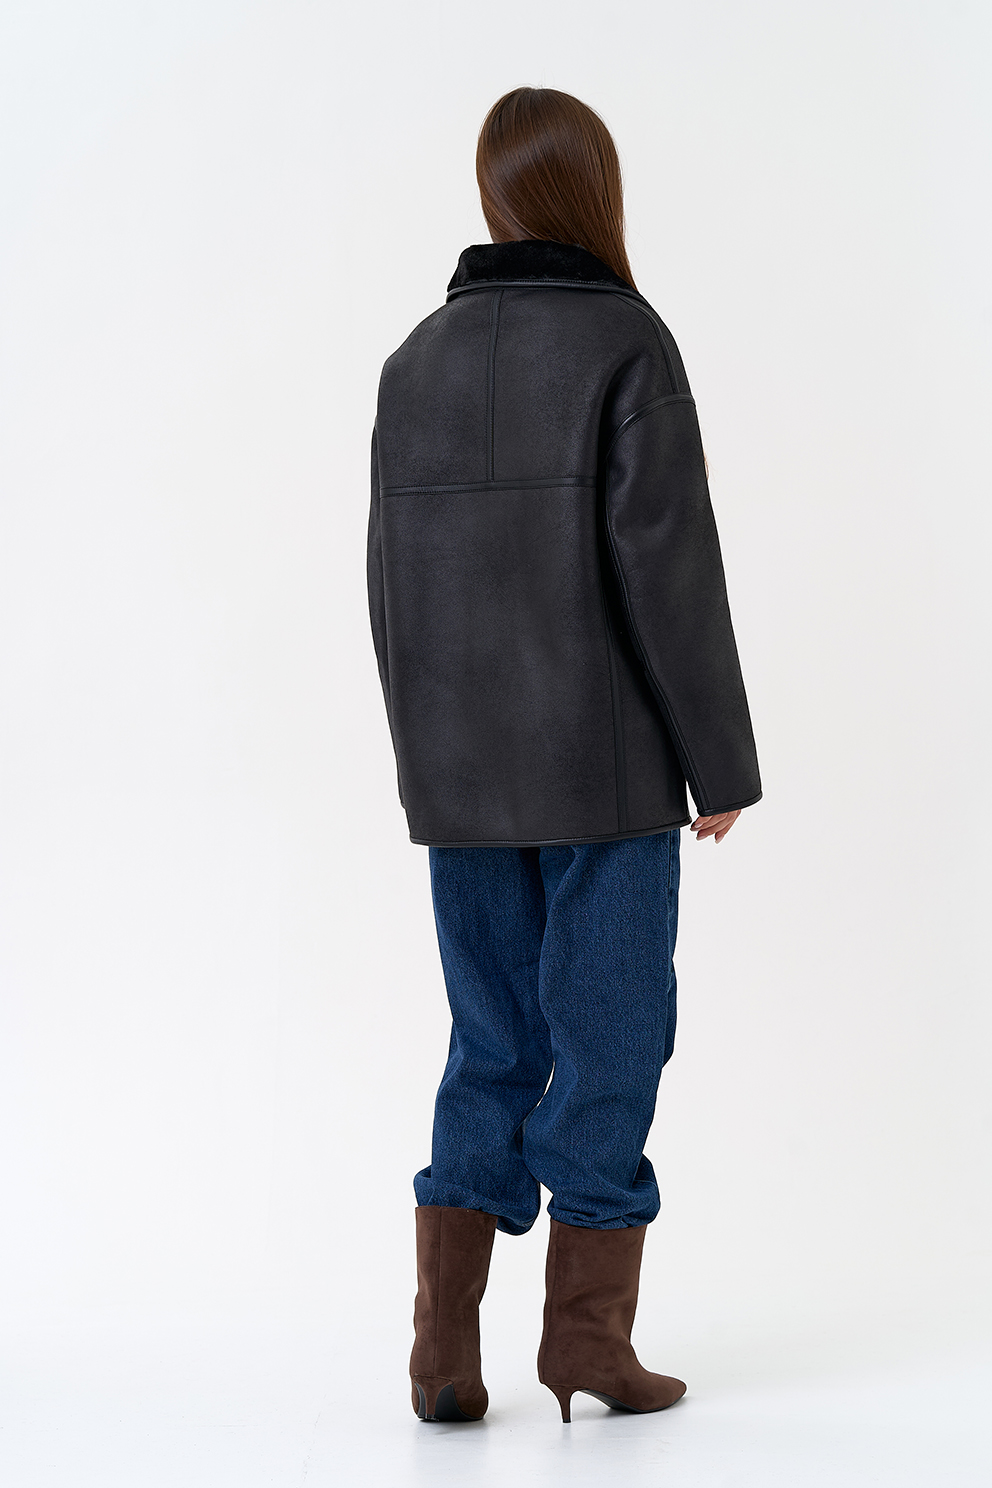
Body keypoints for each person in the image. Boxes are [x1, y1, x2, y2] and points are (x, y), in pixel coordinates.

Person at [367, 86, 761, 1425]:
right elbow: (671, 570)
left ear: (494, 195)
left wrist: (426, 764)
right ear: (594, 190)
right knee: (609, 1039)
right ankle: (588, 1344)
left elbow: (390, 589)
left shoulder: (413, 361)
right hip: (607, 774)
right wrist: (720, 765)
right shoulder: (625, 343)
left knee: (491, 1041)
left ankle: (442, 1353)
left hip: (461, 780)